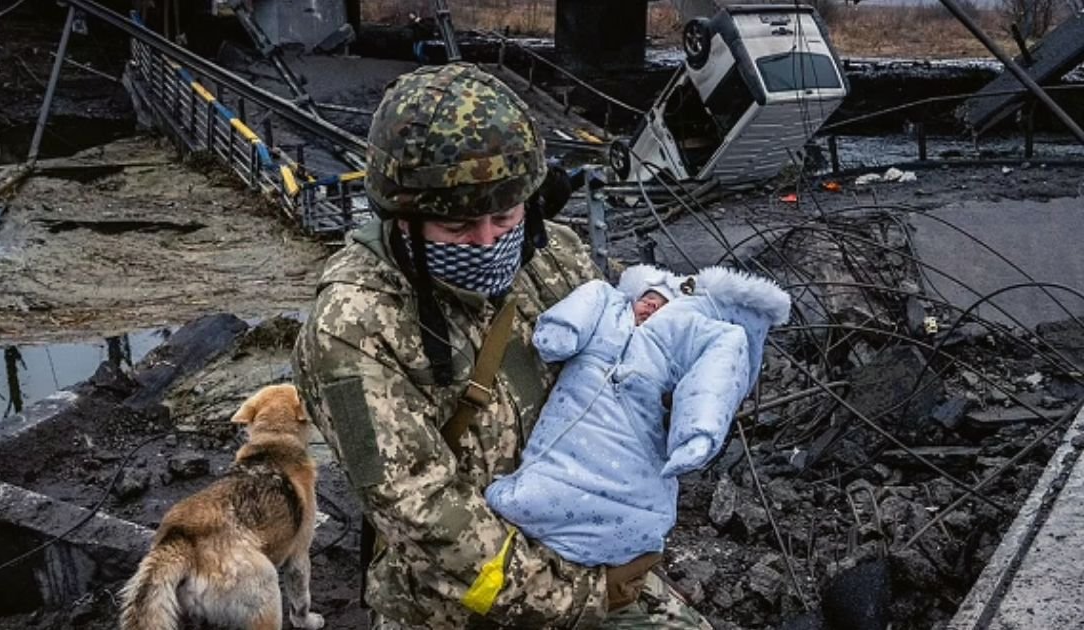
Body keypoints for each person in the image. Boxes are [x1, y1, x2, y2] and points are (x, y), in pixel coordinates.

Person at [292, 62, 712, 629]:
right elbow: (421, 513)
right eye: (459, 228)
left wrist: (687, 336)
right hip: (462, 603)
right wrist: (585, 596)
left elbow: (637, 347)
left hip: (587, 545)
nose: (488, 241)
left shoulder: (549, 254)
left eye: (503, 216)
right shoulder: (352, 328)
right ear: (401, 218)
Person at [485, 264, 791, 567]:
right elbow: (589, 298)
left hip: (634, 433)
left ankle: (618, 546)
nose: (651, 305)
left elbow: (718, 366)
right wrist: (562, 330)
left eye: (661, 303)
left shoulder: (678, 333)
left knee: (637, 500)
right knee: (545, 479)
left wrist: (699, 430)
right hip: (572, 427)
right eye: (647, 297)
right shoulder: (608, 308)